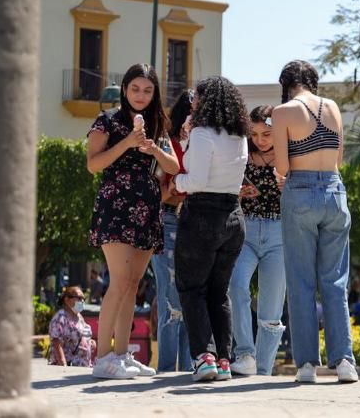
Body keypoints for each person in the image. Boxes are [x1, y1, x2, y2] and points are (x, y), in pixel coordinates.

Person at [86, 63, 179, 379]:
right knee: (119, 280)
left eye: (148, 90)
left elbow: (174, 166)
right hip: (116, 203)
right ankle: (102, 358)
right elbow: (93, 165)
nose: (141, 95)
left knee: (133, 284)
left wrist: (152, 147)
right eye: (135, 88)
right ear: (125, 89)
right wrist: (125, 143)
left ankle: (122, 355)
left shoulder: (156, 125)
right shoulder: (107, 121)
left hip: (147, 205)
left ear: (154, 94)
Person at [272, 60, 357, 384]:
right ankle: (345, 362)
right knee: (335, 282)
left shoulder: (283, 112)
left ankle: (307, 364)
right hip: (336, 193)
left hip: (301, 193)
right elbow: (338, 159)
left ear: (286, 84)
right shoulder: (333, 106)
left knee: (301, 282)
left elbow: (282, 167)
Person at [174, 76, 249, 382]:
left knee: (192, 288)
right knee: (219, 293)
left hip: (202, 215)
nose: (192, 101)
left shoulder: (204, 134)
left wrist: (175, 183)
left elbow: (196, 180)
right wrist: (185, 139)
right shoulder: (238, 135)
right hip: (233, 216)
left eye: (197, 97)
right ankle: (223, 360)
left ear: (206, 101)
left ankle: (203, 357)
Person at [230, 105, 288, 377]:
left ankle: (263, 369)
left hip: (280, 233)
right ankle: (245, 354)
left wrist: (289, 188)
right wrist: (238, 193)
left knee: (271, 309)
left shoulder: (291, 157)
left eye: (267, 134)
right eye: (254, 134)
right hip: (247, 230)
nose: (260, 140)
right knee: (236, 286)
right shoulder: (243, 154)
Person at [149, 89, 194, 374]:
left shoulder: (206, 143)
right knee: (169, 298)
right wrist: (173, 190)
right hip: (168, 219)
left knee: (191, 299)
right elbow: (157, 193)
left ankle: (190, 367)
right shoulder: (168, 143)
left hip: (197, 221)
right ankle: (167, 369)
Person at [48, 286, 95, 367]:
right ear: (67, 299)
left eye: (84, 299)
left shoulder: (79, 317)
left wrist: (90, 343)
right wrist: (63, 365)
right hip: (69, 367)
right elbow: (56, 342)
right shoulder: (60, 317)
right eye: (79, 298)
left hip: (82, 367)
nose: (82, 301)